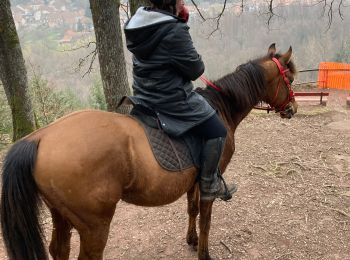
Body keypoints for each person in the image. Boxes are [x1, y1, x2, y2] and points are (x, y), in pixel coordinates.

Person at [124, 0, 236, 201]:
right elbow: (195, 69)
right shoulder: (174, 29)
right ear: (171, 3)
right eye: (180, 0)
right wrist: (182, 26)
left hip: (143, 95)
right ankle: (210, 183)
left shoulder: (136, 24)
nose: (183, 3)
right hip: (171, 98)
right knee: (218, 130)